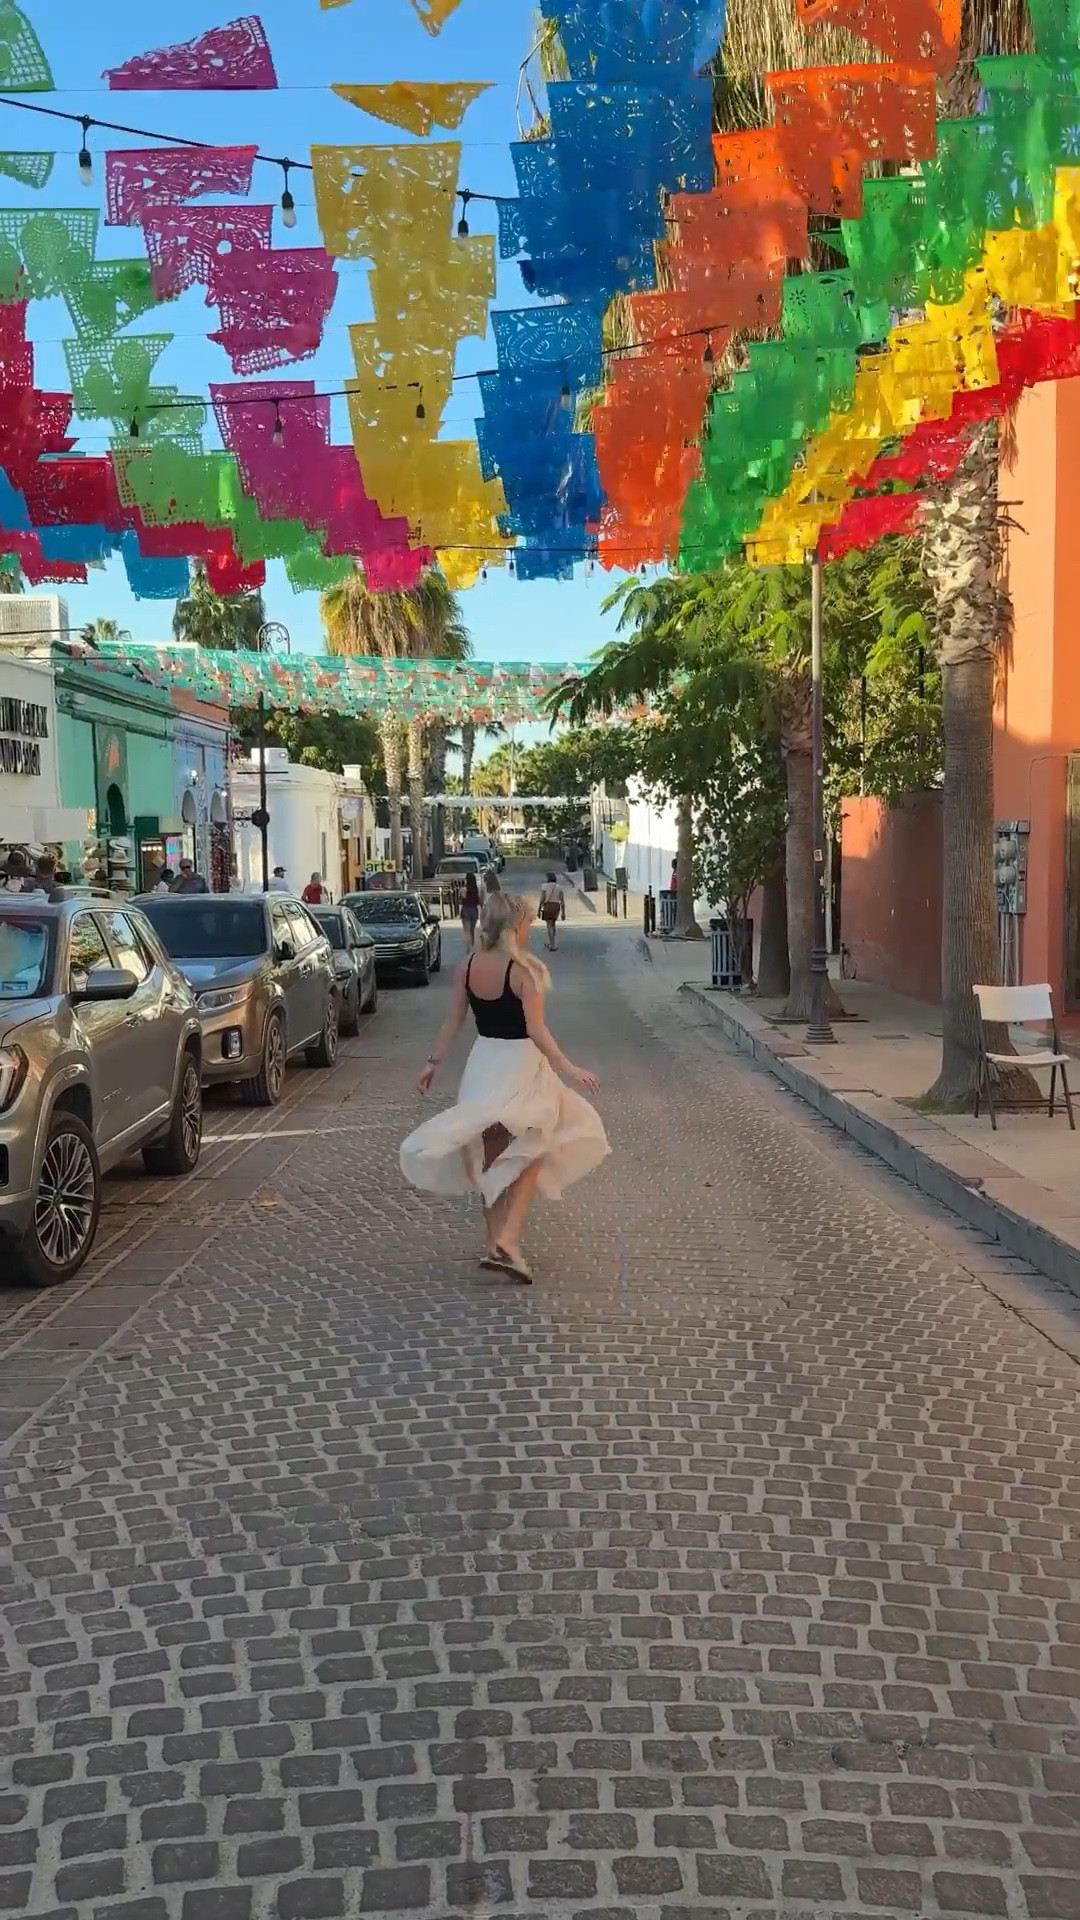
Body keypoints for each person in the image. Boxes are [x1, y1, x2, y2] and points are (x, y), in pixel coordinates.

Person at [400, 892, 608, 1284]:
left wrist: (432, 1063)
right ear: (515, 927)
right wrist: (568, 1067)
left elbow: (454, 1020)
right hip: (521, 1066)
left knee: (490, 1155)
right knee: (533, 1150)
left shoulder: (468, 966)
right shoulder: (523, 971)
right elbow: (535, 1029)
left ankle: (495, 1242)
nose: (529, 928)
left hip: (484, 1064)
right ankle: (508, 1240)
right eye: (526, 922)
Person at [538, 872, 566, 952]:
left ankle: (552, 945)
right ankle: (552, 942)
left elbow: (542, 899)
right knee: (553, 923)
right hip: (556, 906)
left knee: (549, 925)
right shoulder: (559, 887)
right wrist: (563, 913)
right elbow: (562, 901)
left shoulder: (544, 886)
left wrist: (539, 909)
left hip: (548, 906)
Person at [460, 869, 480, 949]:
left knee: (467, 931)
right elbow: (479, 900)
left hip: (466, 910)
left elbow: (462, 898)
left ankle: (468, 948)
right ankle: (472, 946)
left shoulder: (464, 889)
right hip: (474, 910)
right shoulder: (476, 889)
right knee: (472, 930)